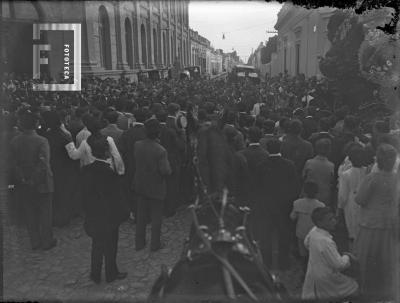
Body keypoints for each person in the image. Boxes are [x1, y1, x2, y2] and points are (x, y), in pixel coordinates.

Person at [354, 144, 399, 302]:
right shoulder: (396, 178)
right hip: (389, 222)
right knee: (386, 259)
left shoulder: (372, 178)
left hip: (370, 223)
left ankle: (367, 290)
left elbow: (360, 199)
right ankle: (385, 290)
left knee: (367, 258)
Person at [81, 134, 129, 284]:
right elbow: (117, 197)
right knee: (110, 246)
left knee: (96, 245)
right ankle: (111, 273)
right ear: (106, 151)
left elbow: (83, 195)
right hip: (109, 216)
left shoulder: (86, 170)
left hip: (94, 215)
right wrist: (123, 214)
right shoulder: (109, 173)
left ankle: (95, 274)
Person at [10, 110, 57, 250]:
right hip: (42, 183)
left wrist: (23, 178)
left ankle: (35, 241)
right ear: (36, 124)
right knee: (45, 212)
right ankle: (46, 240)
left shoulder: (15, 141)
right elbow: (43, 164)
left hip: (23, 182)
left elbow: (13, 163)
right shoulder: (42, 141)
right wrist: (33, 179)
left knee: (30, 212)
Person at [254, 139, 300, 270]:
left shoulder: (261, 165)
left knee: (266, 235)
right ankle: (283, 263)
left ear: (267, 149)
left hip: (266, 206)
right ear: (280, 149)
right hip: (284, 206)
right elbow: (295, 187)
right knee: (284, 235)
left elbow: (256, 188)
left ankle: (267, 263)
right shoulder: (289, 165)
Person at [302, 207, 359, 301]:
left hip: (313, 272)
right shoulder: (326, 241)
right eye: (330, 219)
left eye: (333, 218)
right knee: (353, 286)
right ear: (320, 223)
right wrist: (347, 256)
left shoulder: (314, 231)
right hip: (327, 277)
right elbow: (339, 265)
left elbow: (306, 243)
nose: (334, 221)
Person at [134, 118, 171, 251]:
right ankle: (155, 244)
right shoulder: (161, 150)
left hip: (140, 184)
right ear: (158, 133)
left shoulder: (137, 145)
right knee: (156, 218)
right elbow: (166, 171)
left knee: (141, 216)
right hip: (156, 187)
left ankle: (139, 243)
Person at [43, 110, 79, 227]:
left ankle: (54, 217)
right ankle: (63, 218)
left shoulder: (45, 135)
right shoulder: (65, 136)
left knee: (55, 193)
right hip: (65, 169)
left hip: (51, 167)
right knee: (64, 193)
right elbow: (73, 154)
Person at [337, 144, 367, 250]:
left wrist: (340, 208)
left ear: (349, 158)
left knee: (352, 229)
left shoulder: (346, 174)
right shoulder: (367, 171)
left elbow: (342, 196)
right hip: (364, 202)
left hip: (351, 203)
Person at [290, 181, 325, 265]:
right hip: (314, 234)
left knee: (303, 253)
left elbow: (292, 217)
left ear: (304, 192)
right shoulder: (321, 205)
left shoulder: (297, 203)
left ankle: (304, 268)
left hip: (301, 232)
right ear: (317, 192)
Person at [237, 126, 269, 208]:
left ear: (248, 137)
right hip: (260, 192)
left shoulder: (240, 154)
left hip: (244, 192)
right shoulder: (266, 154)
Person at [302, 138, 335, 207]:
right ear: (329, 150)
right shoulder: (331, 165)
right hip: (325, 197)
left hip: (309, 195)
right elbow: (331, 181)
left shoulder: (309, 163)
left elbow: (303, 177)